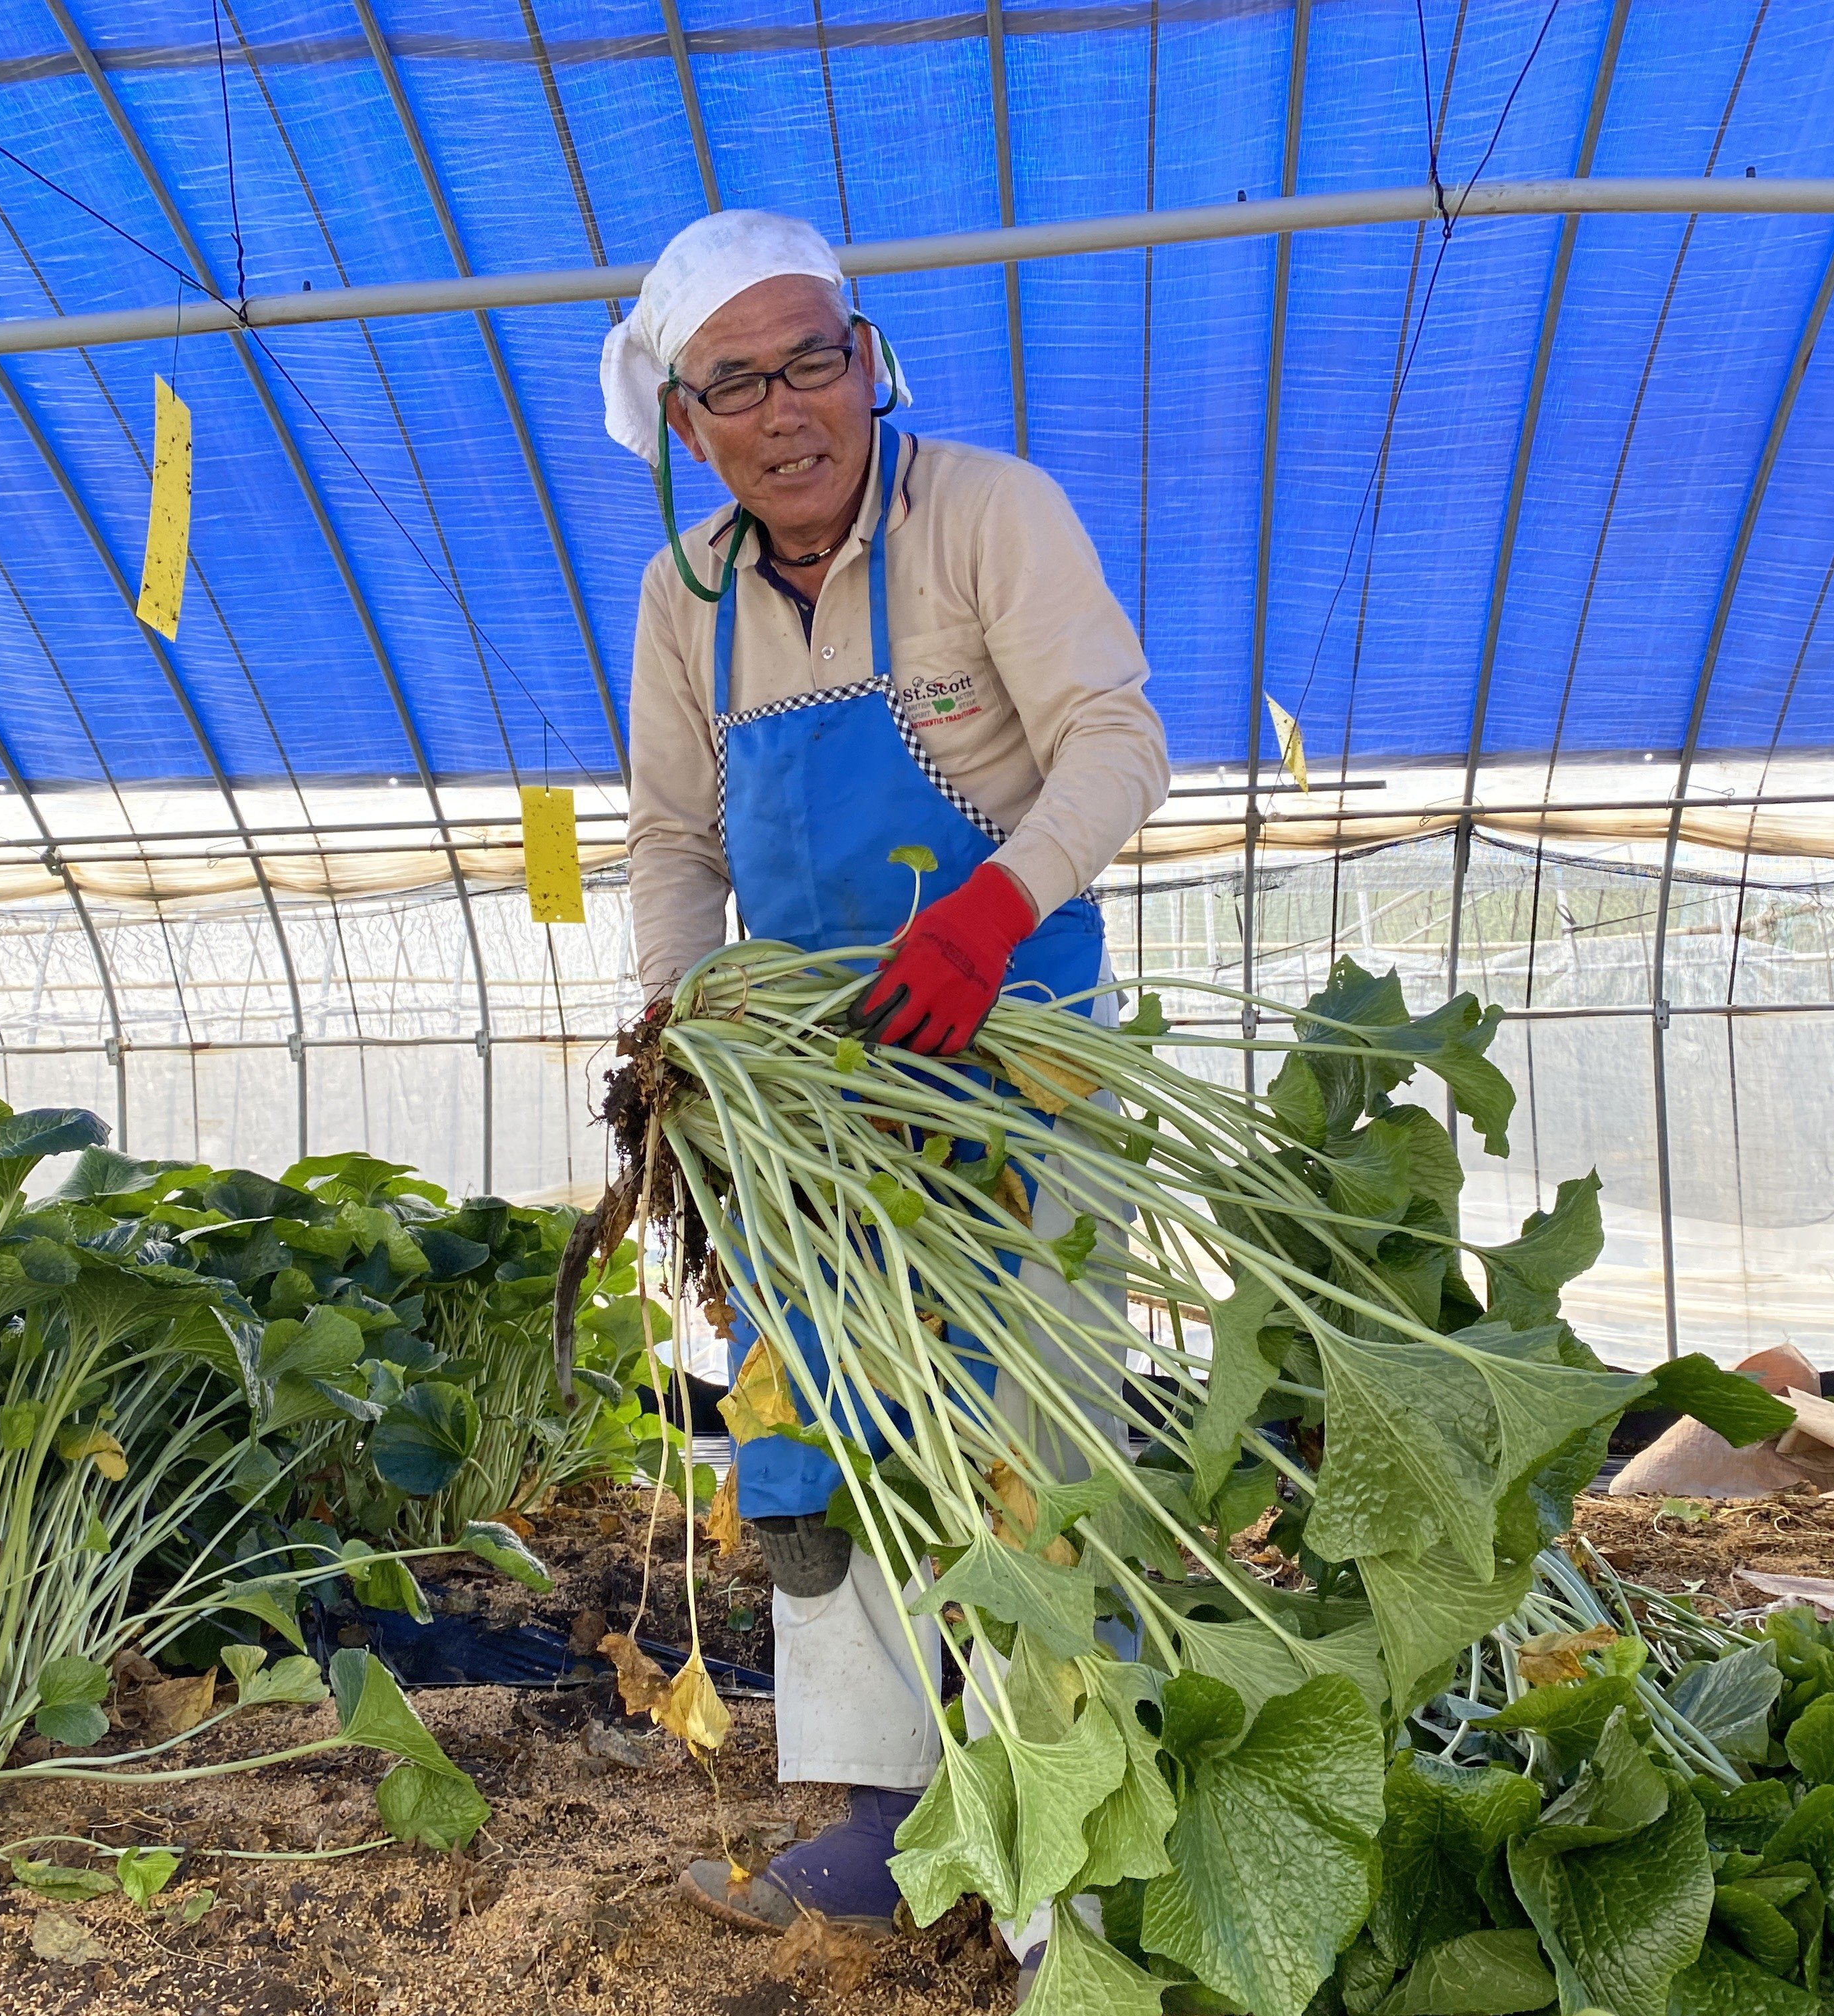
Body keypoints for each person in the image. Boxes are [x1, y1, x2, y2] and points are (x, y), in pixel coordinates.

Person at [607, 210, 1167, 1969]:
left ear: (869, 361)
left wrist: (991, 917)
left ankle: (1066, 1841)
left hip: (1016, 1059)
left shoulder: (988, 516)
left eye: (814, 359)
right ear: (689, 422)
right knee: (828, 1428)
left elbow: (1118, 741)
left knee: (1029, 1442)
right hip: (819, 1103)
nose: (789, 410)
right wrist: (682, 1031)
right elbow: (675, 839)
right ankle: (875, 1813)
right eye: (740, 384)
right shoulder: (685, 597)